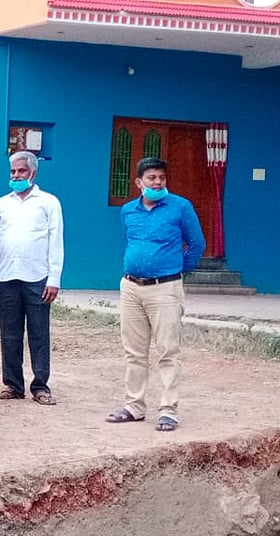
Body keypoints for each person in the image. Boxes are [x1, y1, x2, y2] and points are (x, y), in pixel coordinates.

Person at [106, 157, 205, 432]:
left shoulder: (180, 207)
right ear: (139, 182)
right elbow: (132, 241)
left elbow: (197, 243)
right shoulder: (128, 211)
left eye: (162, 178)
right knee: (134, 351)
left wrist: (178, 269)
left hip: (165, 288)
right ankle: (134, 406)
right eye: (152, 178)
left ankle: (168, 410)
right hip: (131, 287)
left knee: (168, 351)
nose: (158, 182)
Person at [0, 151, 64, 405]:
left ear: (33, 173)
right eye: (13, 171)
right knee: (9, 334)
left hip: (38, 278)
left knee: (39, 333)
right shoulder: (1, 204)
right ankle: (13, 385)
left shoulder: (48, 202)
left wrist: (54, 278)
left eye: (21, 171)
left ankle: (40, 386)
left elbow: (56, 242)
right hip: (8, 277)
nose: (16, 176)